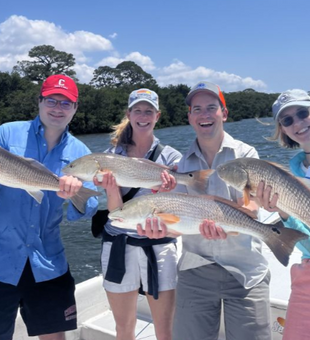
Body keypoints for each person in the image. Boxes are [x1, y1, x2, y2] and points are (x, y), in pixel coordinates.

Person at [140, 81, 271, 340]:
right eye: (197, 109)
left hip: (245, 271)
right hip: (195, 271)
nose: (204, 114)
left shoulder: (247, 153)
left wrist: (219, 214)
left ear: (224, 113)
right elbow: (177, 222)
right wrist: (160, 230)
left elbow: (253, 210)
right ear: (189, 117)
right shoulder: (180, 166)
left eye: (211, 107)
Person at [0, 74, 99, 340]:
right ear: (39, 101)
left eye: (66, 103)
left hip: (48, 262)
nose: (58, 108)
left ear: (75, 109)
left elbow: (90, 205)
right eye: (52, 100)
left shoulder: (81, 152)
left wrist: (74, 194)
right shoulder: (7, 133)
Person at [93, 88, 181, 340]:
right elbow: (116, 212)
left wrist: (163, 192)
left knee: (165, 330)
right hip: (119, 242)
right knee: (124, 329)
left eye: (149, 111)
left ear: (158, 115)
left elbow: (174, 211)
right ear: (129, 114)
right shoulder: (111, 157)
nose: (143, 116)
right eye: (138, 111)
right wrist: (111, 188)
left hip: (159, 243)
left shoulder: (172, 157)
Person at [255, 89, 310, 340]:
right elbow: (304, 234)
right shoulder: (293, 169)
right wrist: (282, 211)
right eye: (287, 120)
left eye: (303, 113)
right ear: (283, 130)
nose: (297, 122)